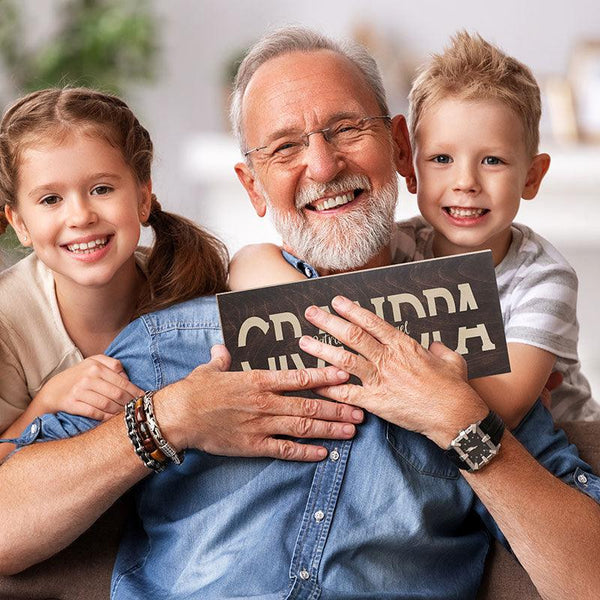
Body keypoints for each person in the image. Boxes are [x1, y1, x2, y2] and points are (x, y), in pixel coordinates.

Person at [1, 27, 599, 600]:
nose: (322, 165)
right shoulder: (171, 343)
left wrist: (460, 424)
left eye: (345, 130)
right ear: (252, 185)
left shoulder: (466, 359)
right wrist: (170, 419)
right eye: (285, 147)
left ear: (397, 147)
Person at [228, 32, 599, 427]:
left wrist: (372, 356)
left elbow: (502, 408)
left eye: (492, 160)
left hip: (569, 451)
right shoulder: (401, 243)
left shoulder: (542, 279)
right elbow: (250, 264)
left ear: (532, 177)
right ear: (410, 162)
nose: (465, 182)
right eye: (442, 158)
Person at [0, 87, 233, 460]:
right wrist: (45, 403)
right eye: (50, 200)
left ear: (143, 198)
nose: (80, 216)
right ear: (20, 224)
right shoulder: (7, 320)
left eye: (101, 189)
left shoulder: (186, 284)